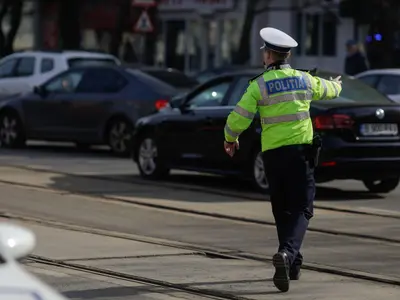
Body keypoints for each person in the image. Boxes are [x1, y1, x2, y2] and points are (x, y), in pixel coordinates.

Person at [223, 27, 342, 293]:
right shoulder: (305, 80)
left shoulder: (259, 85)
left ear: (268, 56)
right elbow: (330, 90)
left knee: (282, 208)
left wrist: (230, 139)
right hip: (300, 154)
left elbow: (238, 116)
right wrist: (338, 84)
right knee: (302, 207)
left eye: (264, 52)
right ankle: (287, 254)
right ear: (287, 55)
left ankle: (291, 264)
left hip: (273, 156)